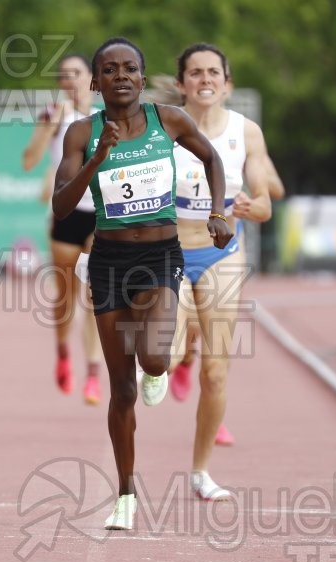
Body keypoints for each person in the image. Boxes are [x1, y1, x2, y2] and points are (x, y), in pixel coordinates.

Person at [52, 37, 232, 530]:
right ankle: (126, 493)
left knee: (153, 357)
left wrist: (218, 213)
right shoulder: (79, 133)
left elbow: (212, 158)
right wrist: (96, 158)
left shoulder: (168, 120)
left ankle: (160, 370)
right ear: (96, 83)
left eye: (130, 68)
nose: (121, 76)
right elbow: (61, 207)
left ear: (142, 75)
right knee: (122, 390)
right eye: (109, 70)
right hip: (109, 259)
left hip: (159, 255)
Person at [162, 43, 278, 500]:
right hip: (170, 251)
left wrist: (254, 207)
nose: (205, 79)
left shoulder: (246, 132)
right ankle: (161, 364)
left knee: (215, 372)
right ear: (182, 83)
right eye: (195, 73)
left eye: (213, 72)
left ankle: (200, 472)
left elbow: (266, 201)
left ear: (227, 83)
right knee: (166, 358)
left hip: (222, 253)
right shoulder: (163, 130)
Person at [22, 54, 102, 405]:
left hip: (100, 215)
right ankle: (62, 354)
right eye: (64, 75)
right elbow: (28, 161)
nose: (70, 80)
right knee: (66, 296)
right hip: (66, 213)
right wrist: (49, 125)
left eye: (77, 73)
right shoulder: (53, 115)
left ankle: (94, 374)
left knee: (95, 295)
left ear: (92, 79)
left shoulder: (108, 116)